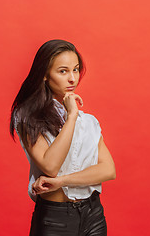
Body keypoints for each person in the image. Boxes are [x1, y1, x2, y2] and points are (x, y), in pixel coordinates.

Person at [10, 39, 116, 236]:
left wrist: (63, 181)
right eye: (63, 71)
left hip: (94, 215)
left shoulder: (89, 122)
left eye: (75, 70)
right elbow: (50, 166)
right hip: (55, 219)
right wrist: (72, 116)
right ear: (44, 75)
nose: (72, 79)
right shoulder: (27, 116)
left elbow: (108, 170)